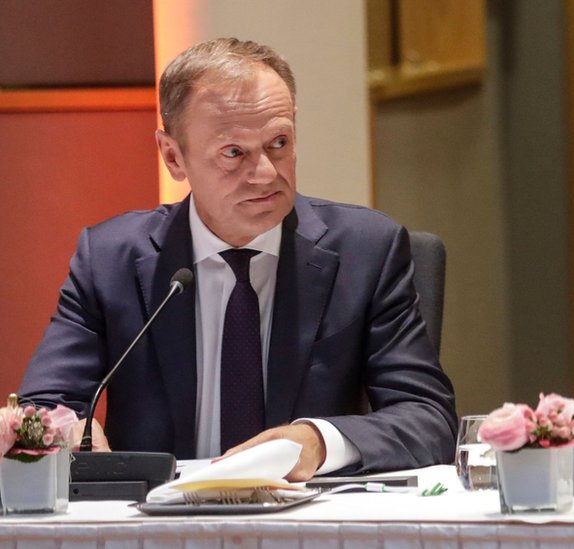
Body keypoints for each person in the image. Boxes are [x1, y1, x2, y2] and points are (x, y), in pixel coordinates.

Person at [18, 38, 458, 480]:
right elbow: (42, 411)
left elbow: (427, 420)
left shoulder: (366, 251)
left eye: (279, 143)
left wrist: (319, 441)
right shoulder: (110, 259)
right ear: (173, 156)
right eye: (234, 153)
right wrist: (67, 432)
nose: (266, 173)